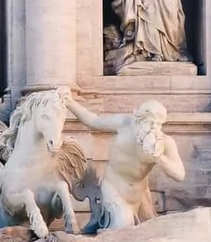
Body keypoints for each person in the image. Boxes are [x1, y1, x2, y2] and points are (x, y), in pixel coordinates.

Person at [63, 97, 185, 233]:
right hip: (115, 188)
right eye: (150, 123)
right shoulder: (124, 123)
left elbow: (179, 175)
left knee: (148, 233)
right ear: (139, 120)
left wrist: (159, 158)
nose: (153, 128)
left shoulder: (164, 142)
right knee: (122, 231)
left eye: (158, 124)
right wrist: (69, 102)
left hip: (141, 194)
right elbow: (93, 121)